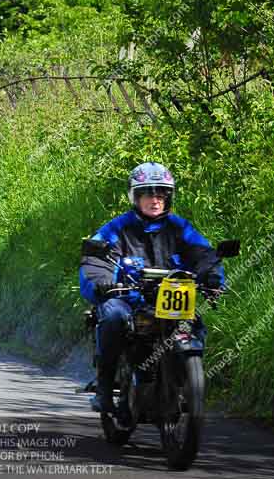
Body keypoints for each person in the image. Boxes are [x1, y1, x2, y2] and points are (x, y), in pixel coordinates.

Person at [79, 162, 224, 413]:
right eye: (148, 193)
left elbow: (204, 254)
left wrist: (212, 277)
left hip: (170, 298)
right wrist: (100, 282)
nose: (155, 200)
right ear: (135, 196)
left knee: (194, 323)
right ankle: (104, 389)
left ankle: (185, 383)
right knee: (113, 316)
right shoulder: (117, 227)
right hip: (127, 298)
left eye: (161, 194)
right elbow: (95, 258)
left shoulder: (181, 228)